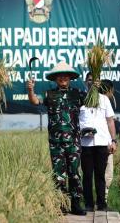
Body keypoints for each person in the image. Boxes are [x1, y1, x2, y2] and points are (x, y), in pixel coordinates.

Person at [27, 61, 87, 216]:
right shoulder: (49, 94)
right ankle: (61, 204)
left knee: (74, 173)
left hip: (73, 142)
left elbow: (93, 102)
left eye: (65, 75)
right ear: (55, 79)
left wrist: (94, 85)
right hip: (56, 143)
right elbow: (34, 101)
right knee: (59, 174)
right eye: (59, 76)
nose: (63, 78)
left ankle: (76, 204)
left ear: (70, 77)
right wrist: (30, 89)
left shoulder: (78, 94)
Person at [79, 75, 117, 212]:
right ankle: (88, 204)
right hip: (85, 143)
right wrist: (81, 131)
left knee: (100, 174)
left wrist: (113, 140)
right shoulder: (80, 98)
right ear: (86, 82)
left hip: (102, 142)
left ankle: (102, 204)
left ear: (99, 82)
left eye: (94, 80)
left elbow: (110, 121)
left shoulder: (104, 99)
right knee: (87, 175)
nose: (92, 82)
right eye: (89, 80)